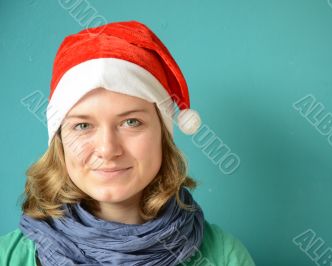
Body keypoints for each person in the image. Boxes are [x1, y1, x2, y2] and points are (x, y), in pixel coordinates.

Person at [0, 20, 255, 265]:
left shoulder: (223, 256)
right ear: (60, 140)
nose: (108, 149)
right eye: (83, 125)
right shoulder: (7, 257)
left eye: (131, 122)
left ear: (163, 134)